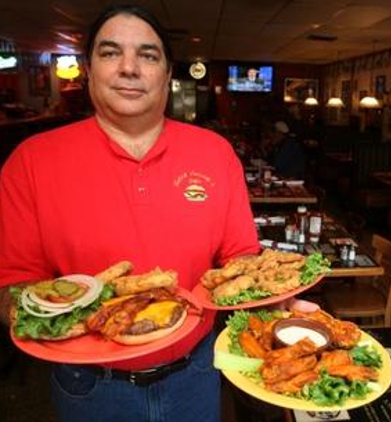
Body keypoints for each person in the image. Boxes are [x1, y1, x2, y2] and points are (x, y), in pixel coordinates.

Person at [0, 4, 260, 422]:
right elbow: (11, 282)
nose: (129, 68)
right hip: (88, 385)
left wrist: (277, 301)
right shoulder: (30, 161)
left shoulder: (216, 153)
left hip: (196, 372)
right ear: (88, 68)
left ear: (167, 71)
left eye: (148, 54)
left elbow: (242, 257)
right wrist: (47, 310)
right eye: (109, 52)